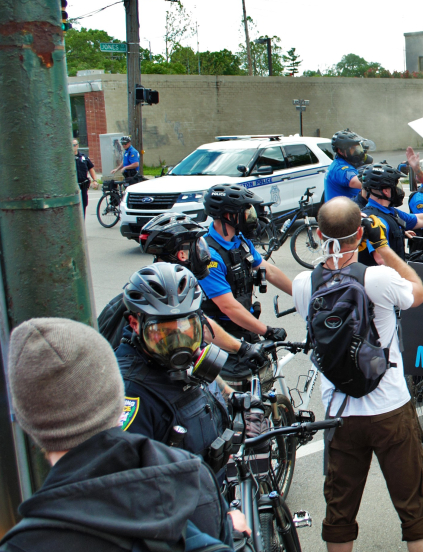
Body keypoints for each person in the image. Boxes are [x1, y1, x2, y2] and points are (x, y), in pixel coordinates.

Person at [0, 318, 243, 551]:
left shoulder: (23, 544)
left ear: (24, 420)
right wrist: (234, 533)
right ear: (117, 399)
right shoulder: (193, 476)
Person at [291, 197, 423, 552]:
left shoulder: (303, 284)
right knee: (414, 511)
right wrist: (383, 246)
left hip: (340, 412)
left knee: (339, 515)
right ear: (360, 234)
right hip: (389, 408)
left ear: (318, 233)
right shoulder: (380, 278)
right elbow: (419, 293)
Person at [96, 213, 265, 371]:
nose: (204, 254)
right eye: (198, 247)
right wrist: (243, 348)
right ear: (182, 254)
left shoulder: (152, 287)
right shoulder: (167, 297)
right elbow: (202, 326)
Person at [116, 263, 233, 467]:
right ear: (135, 324)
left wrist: (235, 401)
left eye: (186, 326)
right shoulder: (129, 393)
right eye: (162, 332)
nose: (179, 344)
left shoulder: (187, 357)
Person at [198, 183, 293, 385]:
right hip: (223, 336)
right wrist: (266, 330)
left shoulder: (239, 242)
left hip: (247, 330)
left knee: (266, 382)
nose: (252, 217)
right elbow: (228, 307)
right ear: (228, 215)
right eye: (246, 211)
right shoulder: (209, 255)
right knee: (240, 393)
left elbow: (270, 271)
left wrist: (304, 295)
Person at [357, 163, 423, 264]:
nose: (398, 190)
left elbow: (420, 219)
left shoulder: (389, 212)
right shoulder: (376, 220)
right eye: (396, 185)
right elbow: (382, 259)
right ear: (386, 191)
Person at [324, 130, 372, 203]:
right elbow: (358, 182)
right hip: (342, 212)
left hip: (349, 208)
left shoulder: (347, 163)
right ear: (340, 151)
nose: (357, 151)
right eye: (353, 149)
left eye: (358, 147)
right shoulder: (340, 168)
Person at [73, 138, 99, 215]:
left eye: (74, 145)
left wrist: (95, 180)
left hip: (83, 186)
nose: (73, 147)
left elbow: (91, 168)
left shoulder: (83, 157)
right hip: (73, 187)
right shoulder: (68, 159)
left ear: (77, 146)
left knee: (83, 204)